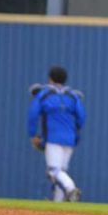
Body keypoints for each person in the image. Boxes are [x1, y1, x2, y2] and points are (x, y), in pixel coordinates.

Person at [27, 66, 86, 202]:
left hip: (52, 137)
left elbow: (33, 114)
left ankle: (71, 189)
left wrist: (33, 134)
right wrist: (75, 133)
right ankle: (58, 203)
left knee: (53, 171)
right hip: (70, 138)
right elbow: (81, 117)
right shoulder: (72, 96)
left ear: (50, 79)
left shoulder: (44, 94)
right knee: (61, 171)